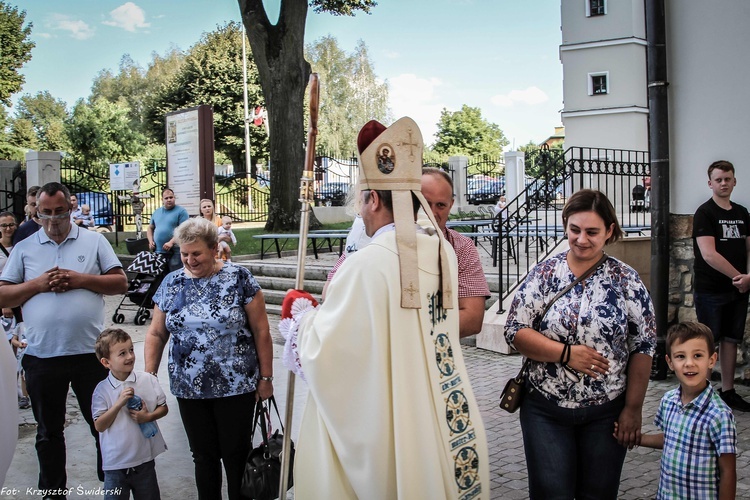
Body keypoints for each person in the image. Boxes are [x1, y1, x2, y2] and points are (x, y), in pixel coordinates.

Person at [282, 117, 489, 499]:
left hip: (386, 410)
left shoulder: (369, 262)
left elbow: (328, 354)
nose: (359, 213)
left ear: (373, 198)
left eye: (361, 200)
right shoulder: (440, 250)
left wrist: (302, 318)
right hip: (430, 408)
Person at [504, 188, 656, 500]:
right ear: (565, 226)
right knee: (552, 493)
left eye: (592, 232)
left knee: (598, 494)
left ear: (609, 231)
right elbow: (515, 330)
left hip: (606, 412)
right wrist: (566, 354)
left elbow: (644, 344)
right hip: (545, 408)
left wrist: (633, 408)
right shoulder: (545, 274)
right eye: (574, 229)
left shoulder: (625, 279)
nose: (581, 239)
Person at [0, 182, 128, 496]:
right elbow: (3, 293)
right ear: (36, 212)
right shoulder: (25, 248)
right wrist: (39, 284)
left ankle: (112, 485)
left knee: (103, 425)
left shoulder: (93, 241)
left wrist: (79, 279)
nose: (54, 219)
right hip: (43, 356)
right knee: (48, 432)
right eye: (47, 213)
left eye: (60, 212)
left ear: (70, 209)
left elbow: (120, 283)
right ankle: (53, 491)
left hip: (90, 355)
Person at [144, 217, 273, 500]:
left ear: (215, 249)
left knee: (236, 454)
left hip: (235, 385)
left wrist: (265, 377)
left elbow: (262, 330)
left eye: (196, 253)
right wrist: (148, 376)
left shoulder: (239, 278)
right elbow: (156, 333)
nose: (189, 260)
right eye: (184, 254)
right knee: (203, 456)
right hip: (189, 388)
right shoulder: (172, 282)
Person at [323, 168, 491, 337]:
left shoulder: (460, 247)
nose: (431, 212)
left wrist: (404, 336)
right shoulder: (372, 241)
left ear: (451, 204)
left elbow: (473, 318)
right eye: (423, 203)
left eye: (440, 205)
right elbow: (330, 293)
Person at [629, 322, 736, 500]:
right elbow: (671, 439)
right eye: (680, 356)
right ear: (669, 362)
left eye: (698, 355)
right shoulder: (668, 401)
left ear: (712, 360)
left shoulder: (719, 415)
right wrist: (638, 438)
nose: (689, 363)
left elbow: (728, 470)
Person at [693, 160, 750, 411]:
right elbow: (709, 254)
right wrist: (740, 277)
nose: (724, 183)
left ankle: (728, 392)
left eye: (727, 179)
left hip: (739, 289)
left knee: (731, 340)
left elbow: (749, 248)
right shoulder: (705, 213)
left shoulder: (741, 213)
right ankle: (703, 395)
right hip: (711, 290)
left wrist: (749, 277)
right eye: (719, 180)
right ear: (710, 184)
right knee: (709, 341)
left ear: (734, 181)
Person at [93, 328, 168, 500]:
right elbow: (100, 425)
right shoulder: (102, 390)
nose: (130, 356)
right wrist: (118, 403)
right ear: (106, 362)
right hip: (115, 465)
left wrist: (147, 417)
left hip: (144, 461)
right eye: (122, 353)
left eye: (131, 350)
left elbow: (163, 408)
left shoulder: (147, 380)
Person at [147, 188, 188, 272]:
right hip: (158, 251)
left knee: (174, 273)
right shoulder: (156, 212)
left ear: (174, 198)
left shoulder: (181, 211)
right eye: (166, 198)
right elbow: (150, 228)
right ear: (162, 199)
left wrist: (171, 242)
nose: (169, 200)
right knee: (160, 276)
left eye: (171, 197)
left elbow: (184, 230)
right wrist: (150, 241)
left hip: (175, 251)